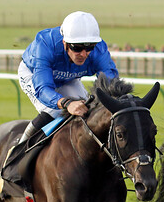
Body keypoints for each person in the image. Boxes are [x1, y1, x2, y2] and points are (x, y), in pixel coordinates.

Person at [16, 11, 119, 144]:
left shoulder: (98, 50)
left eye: (89, 48)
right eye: (77, 48)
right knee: (53, 110)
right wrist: (66, 103)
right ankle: (18, 151)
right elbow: (43, 88)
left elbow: (110, 83)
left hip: (68, 79)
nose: (83, 54)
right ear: (65, 43)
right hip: (33, 75)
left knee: (87, 110)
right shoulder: (46, 44)